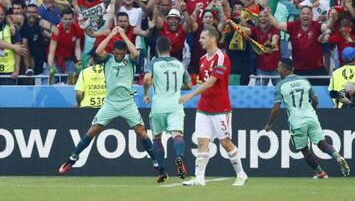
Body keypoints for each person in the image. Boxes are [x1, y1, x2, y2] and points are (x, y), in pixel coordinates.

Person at [59, 26, 157, 174]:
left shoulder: (129, 60)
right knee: (92, 131)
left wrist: (123, 35)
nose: (118, 56)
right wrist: (111, 34)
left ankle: (156, 164)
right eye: (116, 53)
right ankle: (72, 158)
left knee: (142, 133)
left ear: (124, 52)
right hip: (110, 102)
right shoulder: (108, 59)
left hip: (127, 103)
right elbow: (98, 51)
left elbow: (136, 53)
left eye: (121, 53)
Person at [179, 26, 248, 186]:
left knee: (225, 142)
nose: (200, 40)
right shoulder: (203, 59)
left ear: (212, 39)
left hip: (220, 108)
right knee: (202, 142)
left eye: (203, 37)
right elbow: (204, 82)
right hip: (204, 107)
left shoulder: (222, 57)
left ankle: (241, 174)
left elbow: (211, 82)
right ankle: (199, 178)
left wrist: (190, 95)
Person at [265, 58, 350, 179]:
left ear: (284, 69)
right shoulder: (304, 81)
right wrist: (312, 112)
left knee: (305, 150)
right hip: (311, 117)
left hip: (296, 121)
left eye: (279, 67)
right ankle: (337, 156)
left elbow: (276, 108)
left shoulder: (281, 85)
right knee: (322, 144)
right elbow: (315, 100)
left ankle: (321, 173)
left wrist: (269, 124)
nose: (277, 69)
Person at [143, 36, 192, 183]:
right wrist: (177, 87)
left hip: (158, 105)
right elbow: (189, 85)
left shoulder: (153, 63)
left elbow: (146, 80)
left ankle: (162, 171)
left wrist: (146, 94)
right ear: (170, 48)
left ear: (157, 49)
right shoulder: (179, 64)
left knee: (157, 137)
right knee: (177, 135)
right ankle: (179, 158)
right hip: (175, 104)